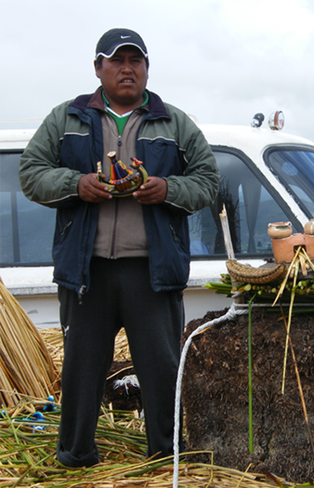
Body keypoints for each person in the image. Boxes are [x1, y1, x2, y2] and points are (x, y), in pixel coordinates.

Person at [19, 28, 219, 468]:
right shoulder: (67, 118)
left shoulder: (174, 122)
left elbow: (207, 182)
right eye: (116, 61)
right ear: (98, 68)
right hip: (86, 270)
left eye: (136, 61)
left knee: (162, 370)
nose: (127, 69)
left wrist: (165, 188)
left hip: (152, 270)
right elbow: (30, 173)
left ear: (147, 69)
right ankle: (75, 457)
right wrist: (76, 184)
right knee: (81, 371)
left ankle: (166, 460)